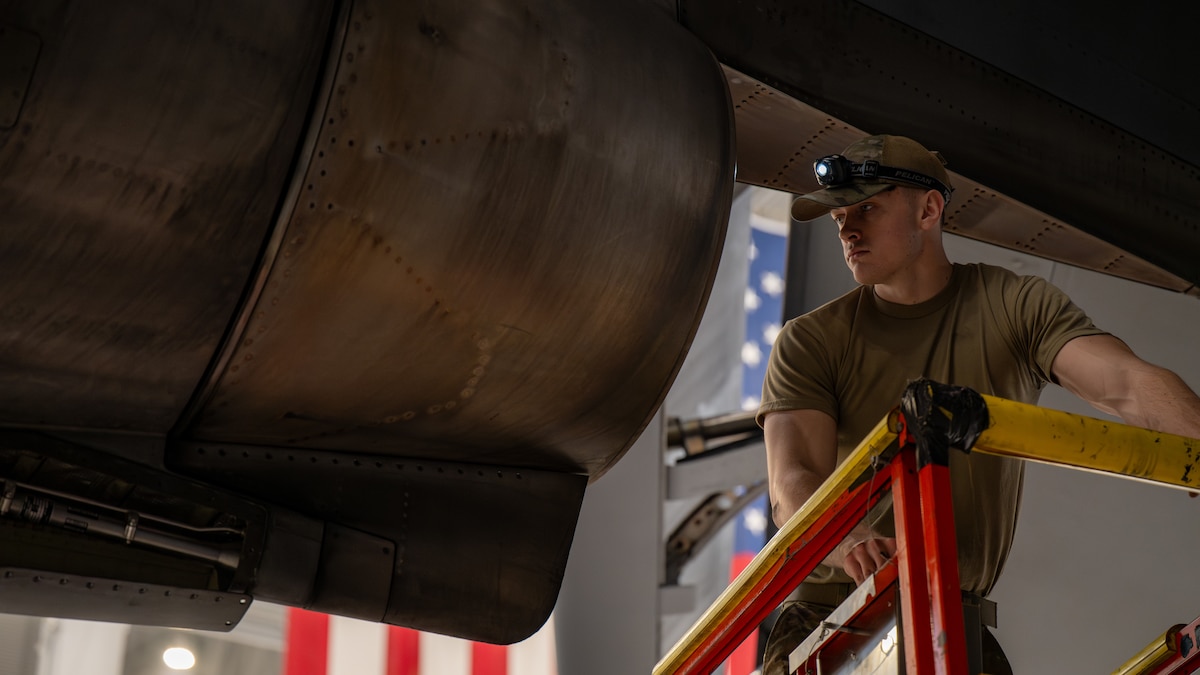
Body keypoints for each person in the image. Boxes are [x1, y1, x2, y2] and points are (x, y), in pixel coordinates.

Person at [756, 134, 1200, 675]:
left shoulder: (1014, 306)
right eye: (838, 217)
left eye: (867, 208)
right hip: (829, 616)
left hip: (952, 611)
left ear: (929, 208)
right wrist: (850, 538)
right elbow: (791, 481)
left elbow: (1128, 385)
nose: (847, 229)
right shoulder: (810, 340)